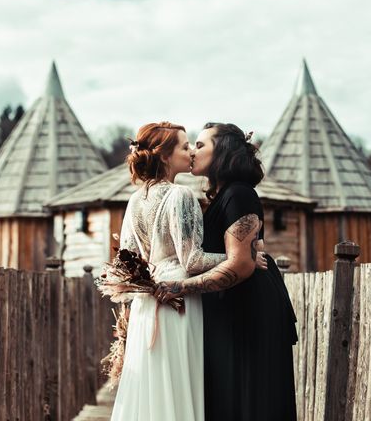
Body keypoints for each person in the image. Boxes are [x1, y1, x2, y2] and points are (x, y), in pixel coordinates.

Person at [110, 122, 266, 421]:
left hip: (146, 305)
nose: (191, 152)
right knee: (179, 383)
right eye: (184, 146)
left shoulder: (134, 200)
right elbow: (192, 261)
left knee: (150, 387)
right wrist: (242, 256)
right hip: (178, 303)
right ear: (166, 156)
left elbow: (127, 262)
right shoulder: (180, 195)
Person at [156, 122, 297, 421]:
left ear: (223, 152)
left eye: (200, 145)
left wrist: (180, 288)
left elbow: (242, 265)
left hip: (249, 309)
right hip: (231, 307)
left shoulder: (239, 195)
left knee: (249, 399)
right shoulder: (222, 196)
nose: (193, 151)